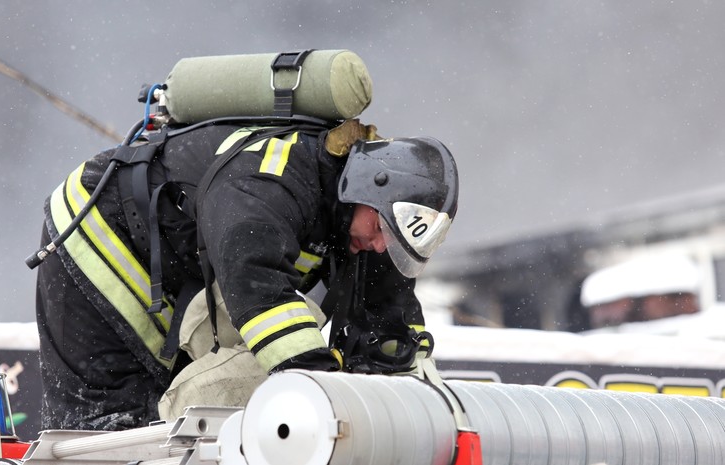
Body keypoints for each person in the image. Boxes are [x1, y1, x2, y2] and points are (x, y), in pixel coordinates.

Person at [33, 114, 459, 430]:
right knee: (107, 432)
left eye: (397, 242)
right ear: (370, 186)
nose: (381, 244)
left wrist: (432, 409)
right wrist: (325, 396)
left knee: (168, 427)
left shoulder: (366, 225)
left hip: (176, 269)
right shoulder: (271, 181)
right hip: (97, 235)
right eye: (382, 228)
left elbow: (391, 329)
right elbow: (258, 287)